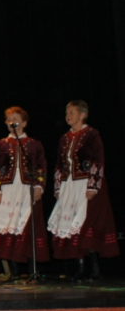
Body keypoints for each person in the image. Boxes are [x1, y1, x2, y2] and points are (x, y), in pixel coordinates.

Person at [47, 100, 119, 280]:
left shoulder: (92, 134)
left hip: (86, 185)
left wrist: (93, 186)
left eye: (72, 112)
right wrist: (58, 187)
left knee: (88, 224)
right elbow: (59, 164)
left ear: (82, 114)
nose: (68, 116)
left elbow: (98, 160)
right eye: (67, 113)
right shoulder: (64, 138)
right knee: (72, 224)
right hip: (69, 185)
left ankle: (95, 269)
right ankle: (80, 268)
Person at [0, 107, 50, 277]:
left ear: (24, 122)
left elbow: (41, 167)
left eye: (15, 119)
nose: (11, 121)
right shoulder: (0, 144)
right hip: (7, 188)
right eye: (8, 119)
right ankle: (14, 272)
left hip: (26, 188)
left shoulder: (34, 144)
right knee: (9, 225)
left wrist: (39, 186)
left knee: (28, 226)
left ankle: (32, 270)